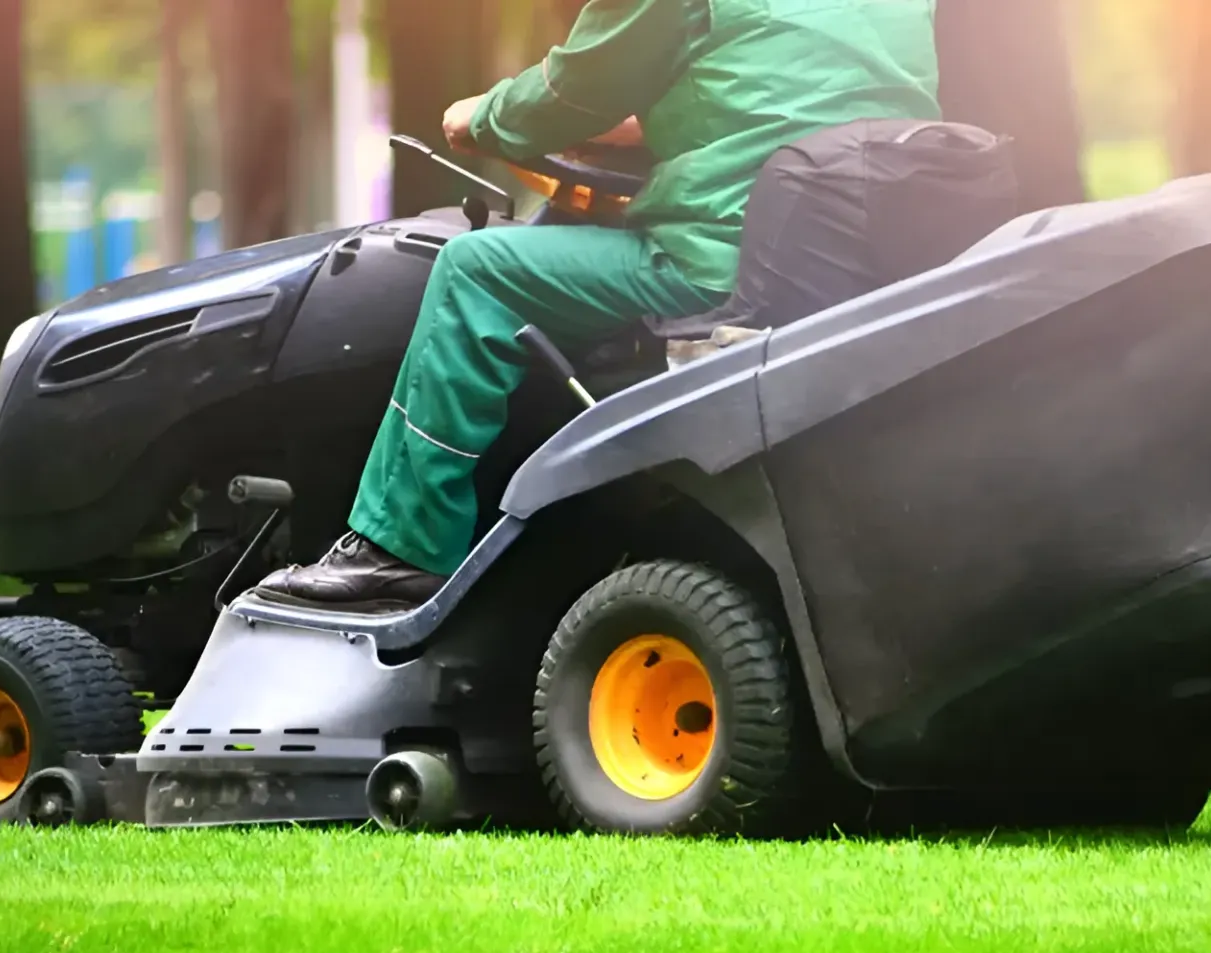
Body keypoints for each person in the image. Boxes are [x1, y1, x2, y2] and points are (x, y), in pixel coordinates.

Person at [261, 0, 942, 608]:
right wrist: (639, 125)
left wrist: (483, 117)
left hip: (723, 258)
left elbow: (571, 89)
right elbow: (773, 91)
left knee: (475, 270)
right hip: (865, 260)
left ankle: (400, 549)